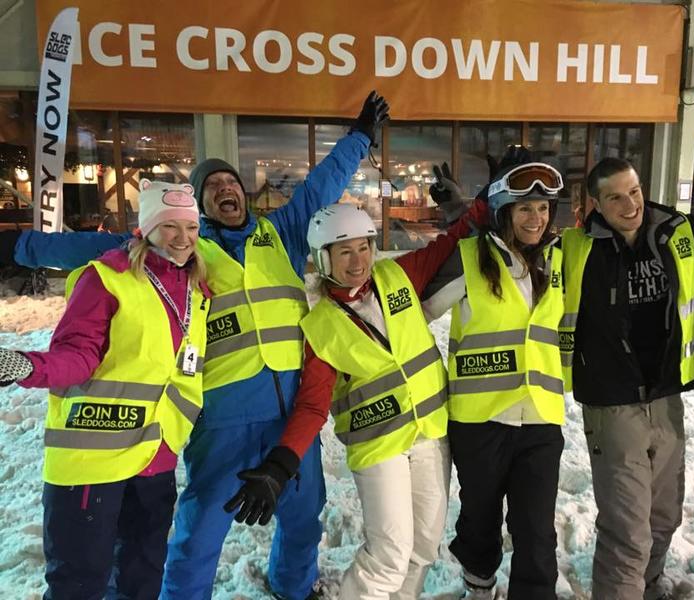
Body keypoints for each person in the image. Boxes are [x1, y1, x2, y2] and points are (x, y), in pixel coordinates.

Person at [6, 91, 389, 600]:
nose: (225, 189)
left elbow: (323, 183)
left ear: (244, 195)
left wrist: (359, 137)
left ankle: (292, 587)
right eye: (212, 187)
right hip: (222, 414)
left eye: (231, 182)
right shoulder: (185, 247)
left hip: (290, 411)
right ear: (200, 205)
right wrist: (18, 247)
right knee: (202, 527)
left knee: (304, 514)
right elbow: (89, 247)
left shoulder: (281, 234)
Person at [222, 187, 487, 599]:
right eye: (344, 252)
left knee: (422, 548)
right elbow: (312, 406)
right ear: (323, 258)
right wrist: (279, 467)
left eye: (364, 248)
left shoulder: (398, 276)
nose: (358, 261)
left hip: (430, 434)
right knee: (388, 556)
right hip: (379, 445)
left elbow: (451, 242)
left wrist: (488, 197)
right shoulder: (322, 327)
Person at [0, 180, 209, 599]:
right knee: (79, 583)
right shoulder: (107, 278)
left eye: (190, 227)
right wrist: (29, 365)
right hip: (93, 459)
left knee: (141, 579)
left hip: (155, 457)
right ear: (146, 228)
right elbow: (78, 355)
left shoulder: (197, 290)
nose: (182, 238)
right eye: (170, 226)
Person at [559, 157, 694, 600]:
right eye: (615, 198)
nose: (630, 205)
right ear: (596, 204)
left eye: (635, 192)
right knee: (627, 530)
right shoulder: (574, 248)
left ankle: (647, 585)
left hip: (665, 395)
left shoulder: (676, 233)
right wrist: (461, 209)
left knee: (664, 518)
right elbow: (516, 245)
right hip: (612, 402)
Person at [422, 150, 566, 600]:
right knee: (480, 521)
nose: (536, 218)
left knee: (537, 531)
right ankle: (479, 586)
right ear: (504, 209)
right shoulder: (470, 258)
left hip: (541, 419)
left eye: (543, 208)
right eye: (525, 208)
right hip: (481, 421)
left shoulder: (560, 260)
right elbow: (417, 316)